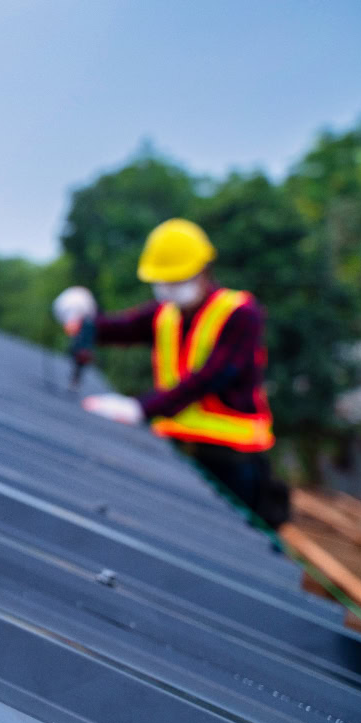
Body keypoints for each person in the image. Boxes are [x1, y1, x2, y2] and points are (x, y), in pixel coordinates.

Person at [53, 218, 291, 528]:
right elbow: (117, 328)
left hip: (231, 459)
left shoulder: (241, 314)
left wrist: (140, 407)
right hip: (178, 449)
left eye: (177, 280)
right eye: (163, 281)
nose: (169, 288)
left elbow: (213, 376)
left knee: (230, 538)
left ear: (203, 271)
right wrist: (81, 320)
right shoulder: (164, 314)